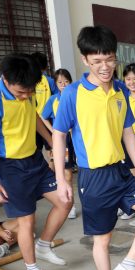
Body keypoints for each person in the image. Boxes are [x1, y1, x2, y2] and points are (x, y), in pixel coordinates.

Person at [51, 26, 135, 270]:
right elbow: (58, 135)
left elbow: (128, 130)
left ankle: (129, 264)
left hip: (120, 171)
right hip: (93, 177)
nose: (105, 67)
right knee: (102, 240)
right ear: (85, 60)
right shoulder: (73, 94)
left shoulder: (119, 90)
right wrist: (61, 179)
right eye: (97, 62)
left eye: (109, 60)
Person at [0, 52, 71, 270]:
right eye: (21, 92)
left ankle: (44, 244)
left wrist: (51, 142)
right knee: (26, 221)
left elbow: (34, 116)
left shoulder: (26, 90)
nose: (25, 96)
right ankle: (32, 269)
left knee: (65, 200)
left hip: (34, 161)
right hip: (9, 167)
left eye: (29, 92)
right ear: (6, 80)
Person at [39, 68, 78, 219]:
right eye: (60, 82)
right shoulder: (53, 99)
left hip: (77, 138)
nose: (63, 85)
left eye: (66, 81)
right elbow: (43, 117)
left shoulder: (77, 96)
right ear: (55, 84)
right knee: (67, 173)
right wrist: (54, 131)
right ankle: (71, 205)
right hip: (63, 141)